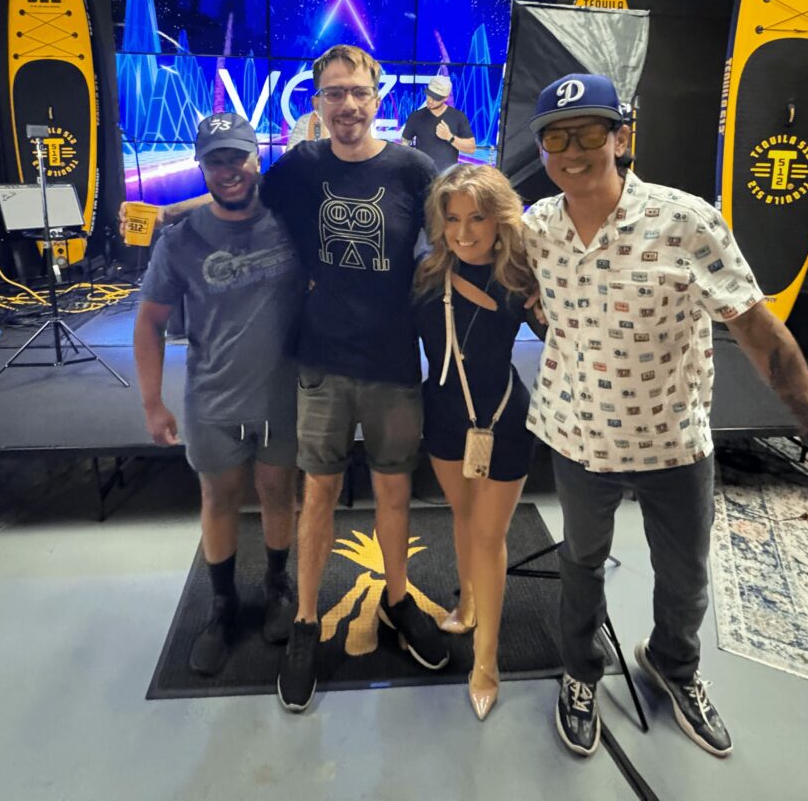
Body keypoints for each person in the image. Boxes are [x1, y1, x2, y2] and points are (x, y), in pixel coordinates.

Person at [521, 74, 808, 759]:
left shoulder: (685, 221)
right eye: (555, 139)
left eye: (588, 132)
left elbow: (764, 337)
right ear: (541, 151)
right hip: (577, 436)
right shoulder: (537, 228)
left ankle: (673, 666)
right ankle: (580, 673)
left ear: (620, 136)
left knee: (685, 577)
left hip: (673, 441)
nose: (571, 152)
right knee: (580, 563)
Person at [264, 44, 451, 713]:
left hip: (394, 363)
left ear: (378, 98)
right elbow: (241, 204)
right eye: (333, 93)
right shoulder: (301, 166)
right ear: (317, 102)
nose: (346, 104)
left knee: (394, 491)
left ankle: (398, 600)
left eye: (358, 92)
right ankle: (307, 621)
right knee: (318, 492)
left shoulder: (412, 168)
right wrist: (169, 217)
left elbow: (457, 234)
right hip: (322, 361)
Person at [133, 112, 303, 676]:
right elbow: (150, 321)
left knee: (279, 492)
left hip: (282, 395)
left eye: (238, 157)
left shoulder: (291, 220)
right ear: (202, 166)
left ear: (257, 158)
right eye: (216, 160)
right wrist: (152, 402)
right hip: (213, 399)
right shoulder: (181, 242)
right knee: (219, 498)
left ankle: (277, 586)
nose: (229, 170)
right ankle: (223, 604)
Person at [412, 164, 542, 721]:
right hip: (443, 418)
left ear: (499, 221)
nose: (464, 233)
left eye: (477, 219)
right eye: (453, 219)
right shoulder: (425, 277)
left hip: (503, 421)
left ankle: (486, 661)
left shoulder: (521, 279)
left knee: (489, 536)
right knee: (463, 517)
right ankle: (467, 603)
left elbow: (569, 333)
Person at [401, 75, 476, 172]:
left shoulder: (458, 117)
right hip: (422, 175)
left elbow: (471, 149)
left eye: (436, 98)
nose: (430, 100)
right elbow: (404, 144)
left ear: (446, 98)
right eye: (429, 94)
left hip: (447, 177)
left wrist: (450, 137)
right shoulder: (415, 117)